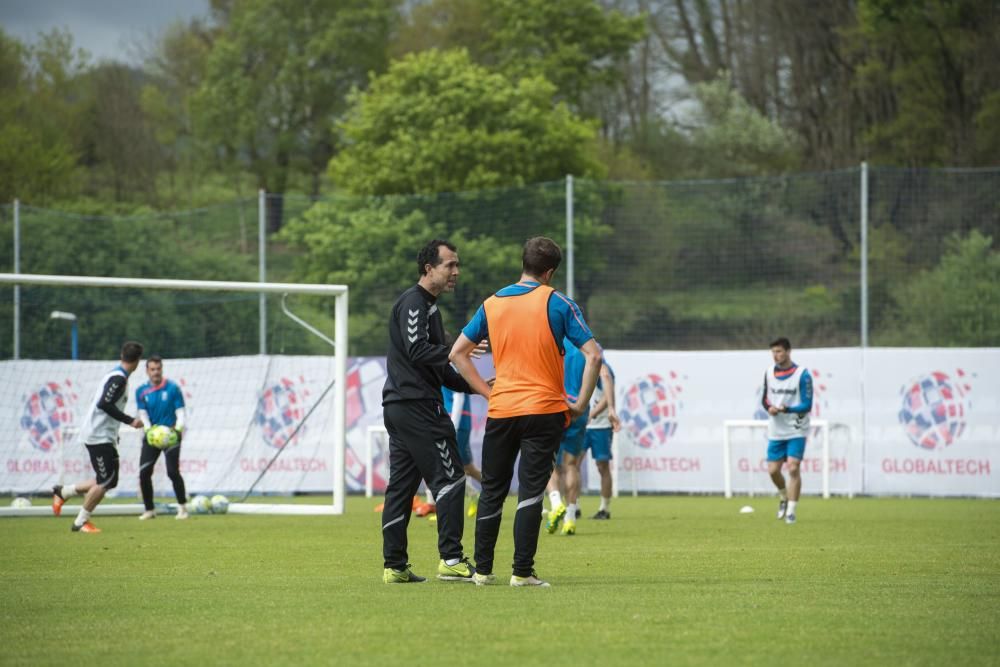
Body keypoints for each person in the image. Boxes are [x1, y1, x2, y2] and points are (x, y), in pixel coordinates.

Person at [450, 236, 601, 587]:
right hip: (544, 409)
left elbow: (458, 353)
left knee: (493, 490)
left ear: (524, 263)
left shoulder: (492, 303)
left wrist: (488, 391)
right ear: (549, 272)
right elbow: (593, 355)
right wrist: (578, 404)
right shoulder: (558, 302)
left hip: (502, 409)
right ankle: (521, 572)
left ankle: (483, 571)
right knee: (532, 490)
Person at [380, 239, 485, 584]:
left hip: (402, 406)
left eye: (457, 265)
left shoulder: (432, 310)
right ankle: (452, 559)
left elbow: (441, 368)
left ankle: (394, 566)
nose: (456, 272)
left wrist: (479, 386)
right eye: (450, 265)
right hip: (417, 407)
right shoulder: (415, 301)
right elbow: (417, 349)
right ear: (429, 269)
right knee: (452, 477)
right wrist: (457, 349)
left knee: (401, 487)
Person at [52, 341, 145, 533]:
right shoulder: (118, 379)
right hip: (97, 436)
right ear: (137, 362)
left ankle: (64, 491)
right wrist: (130, 421)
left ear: (122, 355)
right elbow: (104, 404)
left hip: (104, 435)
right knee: (105, 481)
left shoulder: (116, 375)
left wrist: (114, 432)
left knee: (110, 480)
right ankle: (80, 522)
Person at [761, 337, 813, 525]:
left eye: (779, 351)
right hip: (776, 429)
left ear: (789, 351)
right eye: (773, 352)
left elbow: (807, 405)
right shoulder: (768, 372)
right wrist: (770, 409)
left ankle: (791, 511)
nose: (776, 355)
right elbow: (765, 399)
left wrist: (787, 409)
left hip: (796, 428)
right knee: (773, 471)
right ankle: (783, 496)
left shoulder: (802, 375)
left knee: (793, 466)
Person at [413, 387, 483, 519]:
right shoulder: (442, 367)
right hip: (456, 421)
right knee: (467, 468)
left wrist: (452, 426)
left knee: (440, 465)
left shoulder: (452, 366)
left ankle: (442, 508)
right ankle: (492, 492)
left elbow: (459, 396)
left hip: (454, 421)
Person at [136, 356, 189, 520]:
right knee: (144, 473)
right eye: (152, 369)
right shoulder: (141, 391)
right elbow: (142, 413)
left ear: (162, 369)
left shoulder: (173, 388)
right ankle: (149, 510)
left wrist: (178, 429)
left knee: (173, 472)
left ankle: (182, 508)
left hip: (171, 436)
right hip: (152, 436)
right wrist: (148, 430)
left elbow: (180, 411)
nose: (156, 372)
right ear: (147, 371)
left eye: (158, 369)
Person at [583, 360, 620, 520]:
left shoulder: (604, 369)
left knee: (602, 465)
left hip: (601, 426)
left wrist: (591, 414)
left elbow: (607, 396)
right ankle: (573, 507)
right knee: (572, 463)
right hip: (582, 427)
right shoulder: (578, 364)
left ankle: (604, 508)